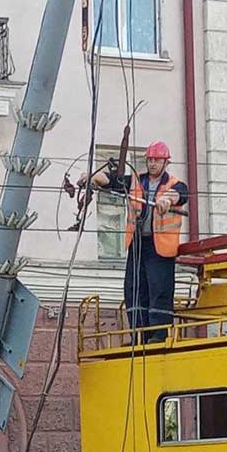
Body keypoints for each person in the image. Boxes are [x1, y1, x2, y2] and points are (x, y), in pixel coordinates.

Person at [79, 140, 189, 343]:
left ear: (166, 162)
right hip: (137, 244)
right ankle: (139, 335)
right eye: (150, 160)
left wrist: (167, 200)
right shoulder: (137, 181)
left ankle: (159, 334)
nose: (152, 163)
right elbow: (112, 180)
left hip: (160, 248)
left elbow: (179, 194)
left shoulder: (174, 184)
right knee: (134, 289)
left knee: (159, 289)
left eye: (156, 160)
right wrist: (93, 177)